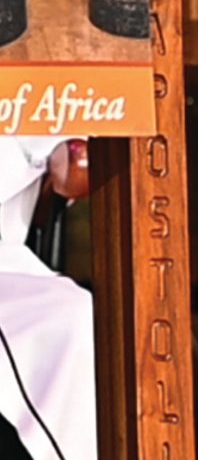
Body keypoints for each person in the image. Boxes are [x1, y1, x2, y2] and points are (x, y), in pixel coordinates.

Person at [0, 136, 95, 460]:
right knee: (68, 318)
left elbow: (72, 169)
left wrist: (65, 153)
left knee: (77, 314)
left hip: (10, 264)